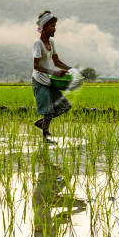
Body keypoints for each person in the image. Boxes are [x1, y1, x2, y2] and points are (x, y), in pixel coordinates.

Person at [32, 10, 72, 140]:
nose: (54, 29)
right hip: (39, 81)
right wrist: (54, 72)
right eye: (52, 26)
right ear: (44, 27)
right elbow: (36, 66)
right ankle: (45, 138)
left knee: (65, 106)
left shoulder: (52, 43)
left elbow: (56, 61)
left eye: (55, 26)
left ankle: (40, 123)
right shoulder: (38, 44)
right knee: (47, 112)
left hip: (48, 80)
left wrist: (72, 69)